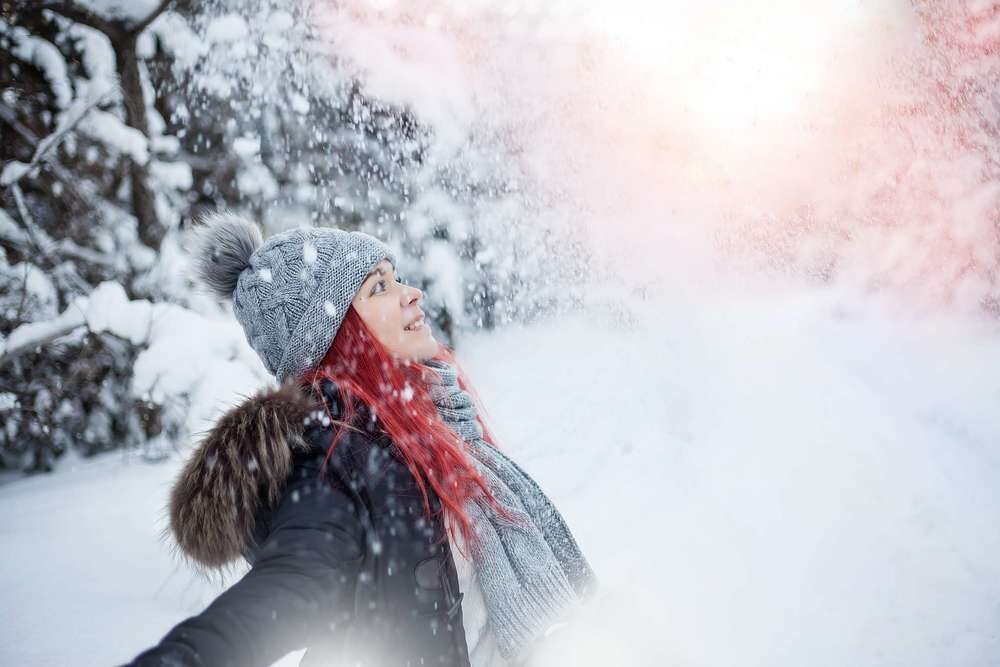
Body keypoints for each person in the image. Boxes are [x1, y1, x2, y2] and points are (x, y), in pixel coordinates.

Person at [124, 213, 596, 667]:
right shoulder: (331, 460)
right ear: (332, 336)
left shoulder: (427, 426)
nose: (411, 294)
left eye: (395, 277)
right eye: (379, 287)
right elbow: (285, 589)